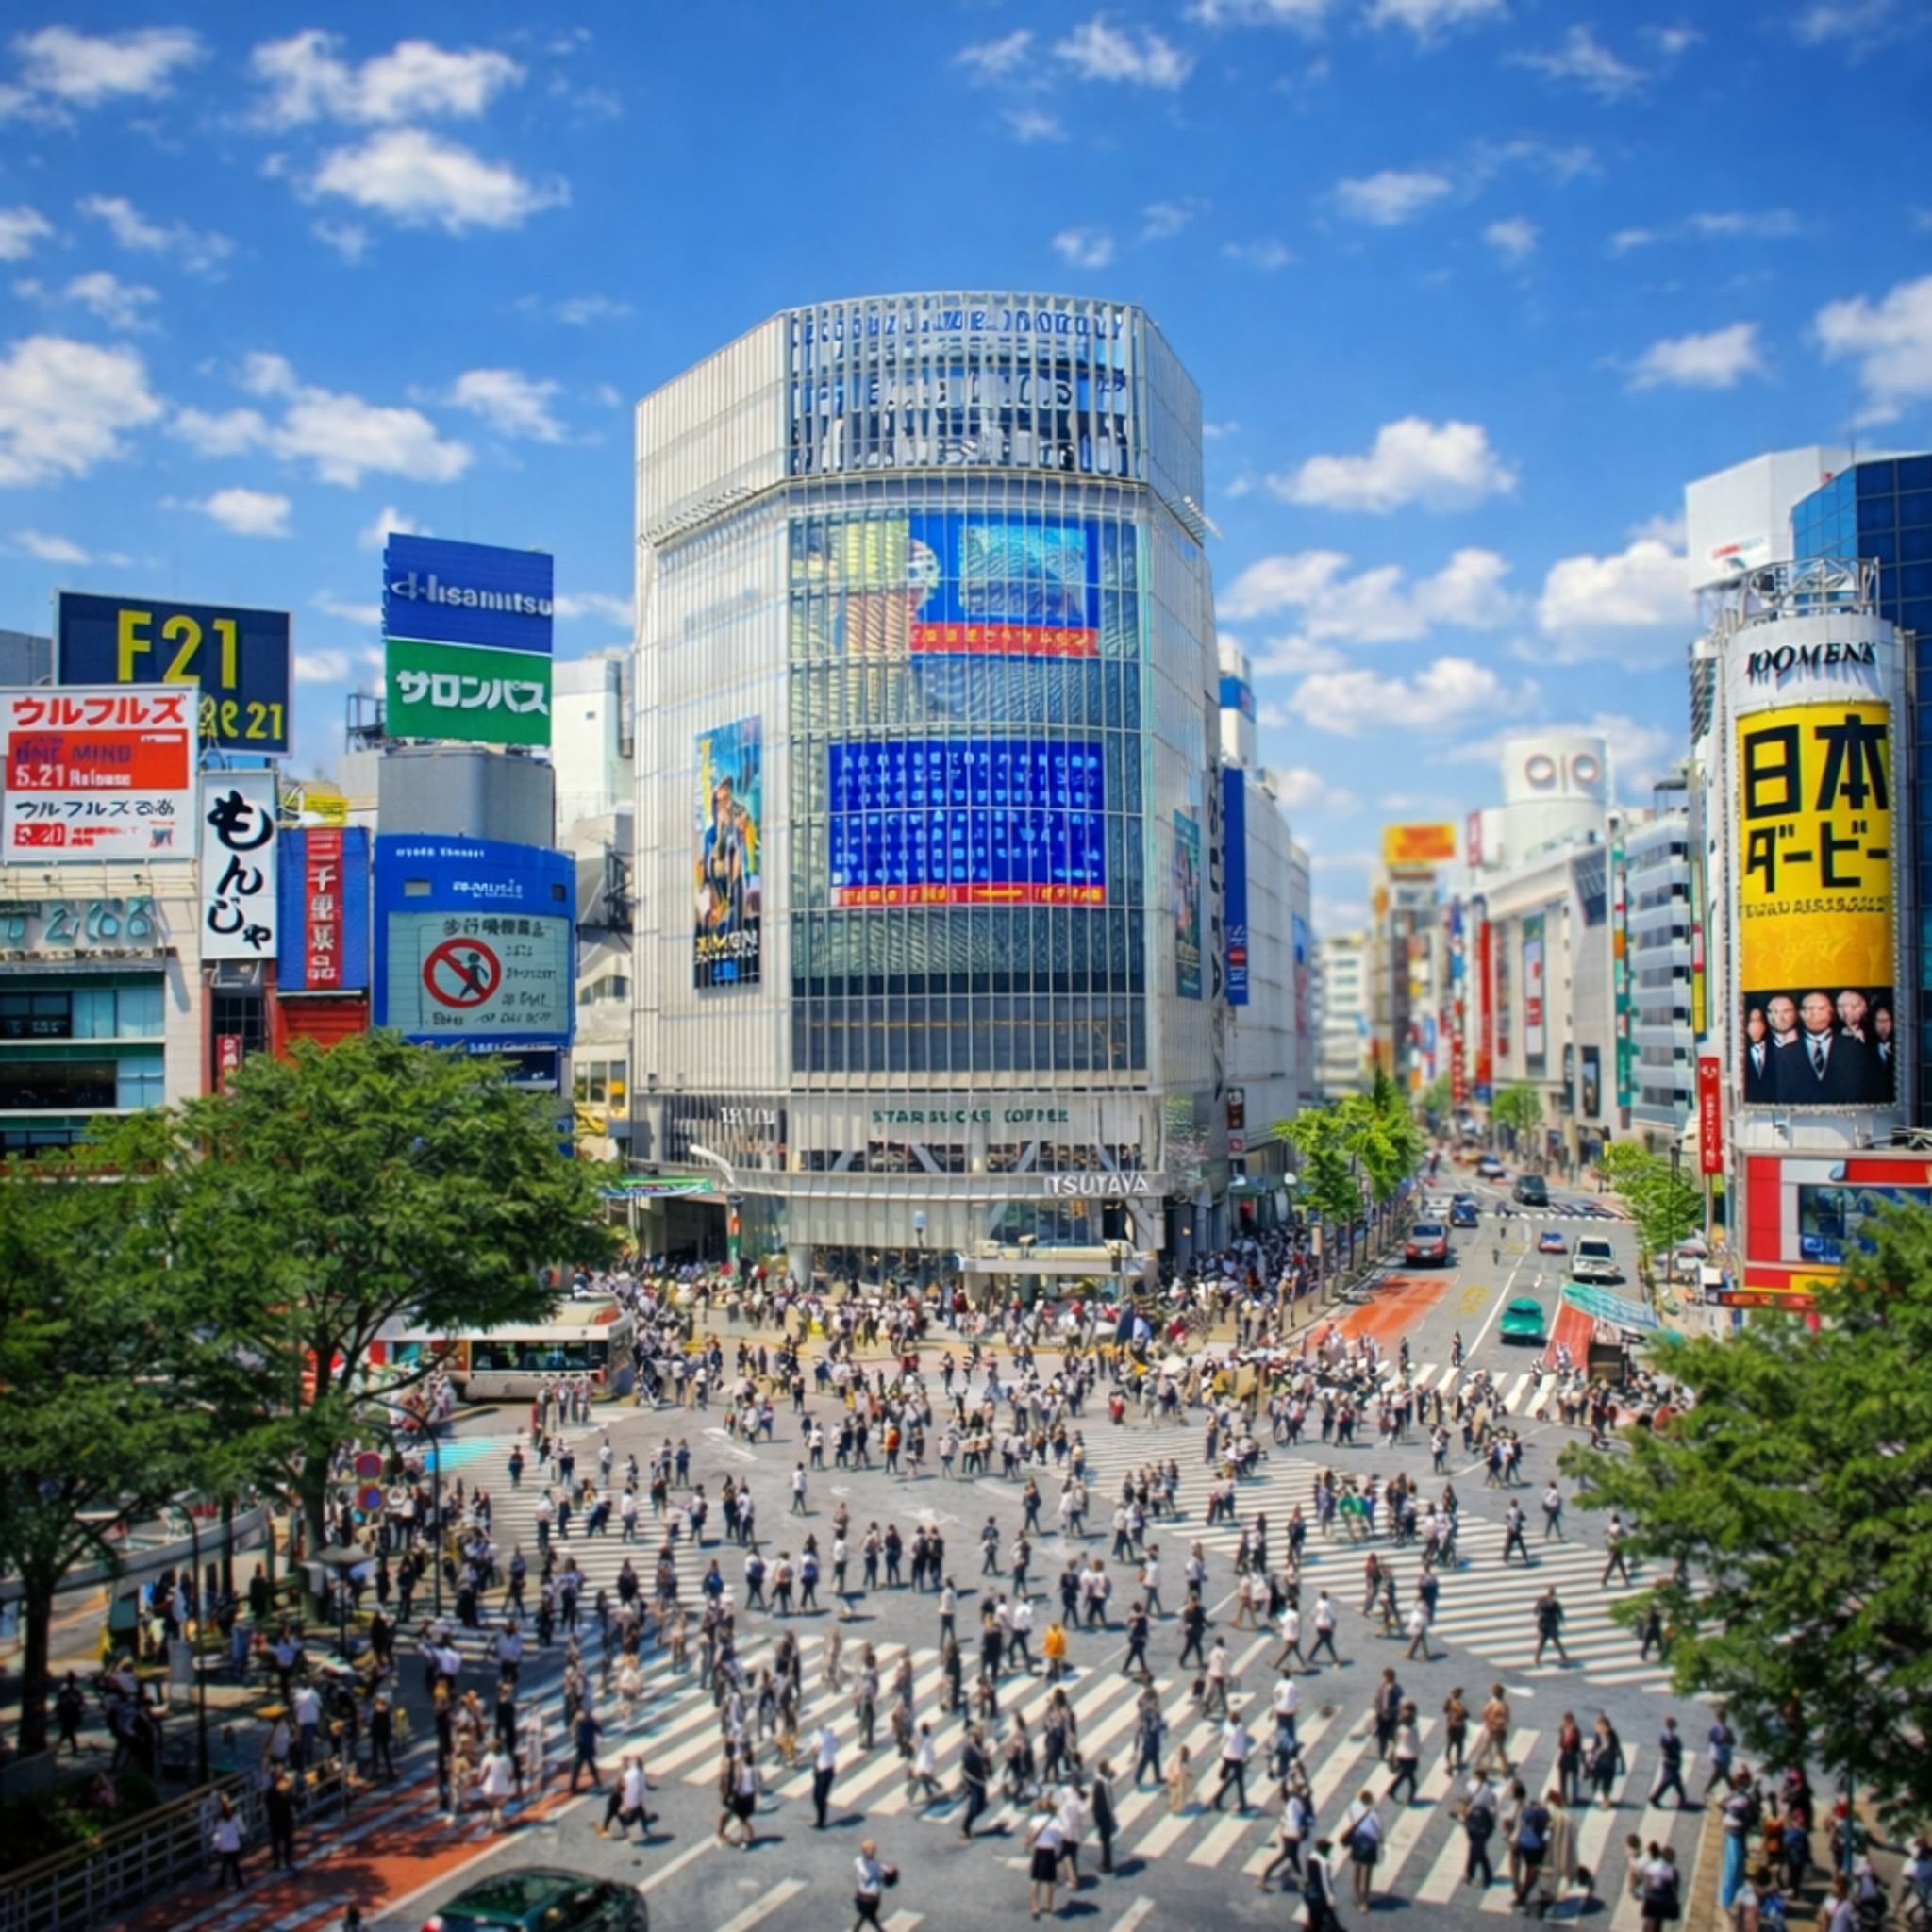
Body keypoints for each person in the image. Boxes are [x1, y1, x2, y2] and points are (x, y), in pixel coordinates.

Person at [1341, 1787, 1382, 1907]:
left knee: (1357, 1867)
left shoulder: (1353, 1809)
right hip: (1370, 1843)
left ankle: (1357, 1893)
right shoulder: (1373, 1813)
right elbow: (1378, 1830)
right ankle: (1365, 1898)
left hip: (1358, 1840)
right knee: (1368, 1870)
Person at [1026, 1798, 1063, 1920]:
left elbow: (1029, 1837)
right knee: (1051, 1881)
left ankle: (1034, 1905)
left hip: (1039, 1851)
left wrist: (1029, 1841)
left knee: (1035, 1880)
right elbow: (1059, 1838)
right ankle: (1049, 1905)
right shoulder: (1056, 1821)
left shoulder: (1035, 1820)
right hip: (1050, 1852)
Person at [853, 1838, 892, 1932]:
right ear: (875, 1851)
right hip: (872, 1898)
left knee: (865, 1915)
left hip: (861, 1896)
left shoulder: (859, 1861)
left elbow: (859, 1865)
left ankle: (856, 1929)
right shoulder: (877, 1865)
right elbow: (885, 1873)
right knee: (870, 1915)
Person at [210, 1792, 245, 1890]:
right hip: (234, 1845)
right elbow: (242, 1830)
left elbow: (217, 1834)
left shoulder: (219, 1818)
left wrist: (216, 1846)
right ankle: (239, 1883)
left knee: (226, 1865)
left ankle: (222, 1882)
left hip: (224, 1846)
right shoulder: (236, 1815)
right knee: (234, 1866)